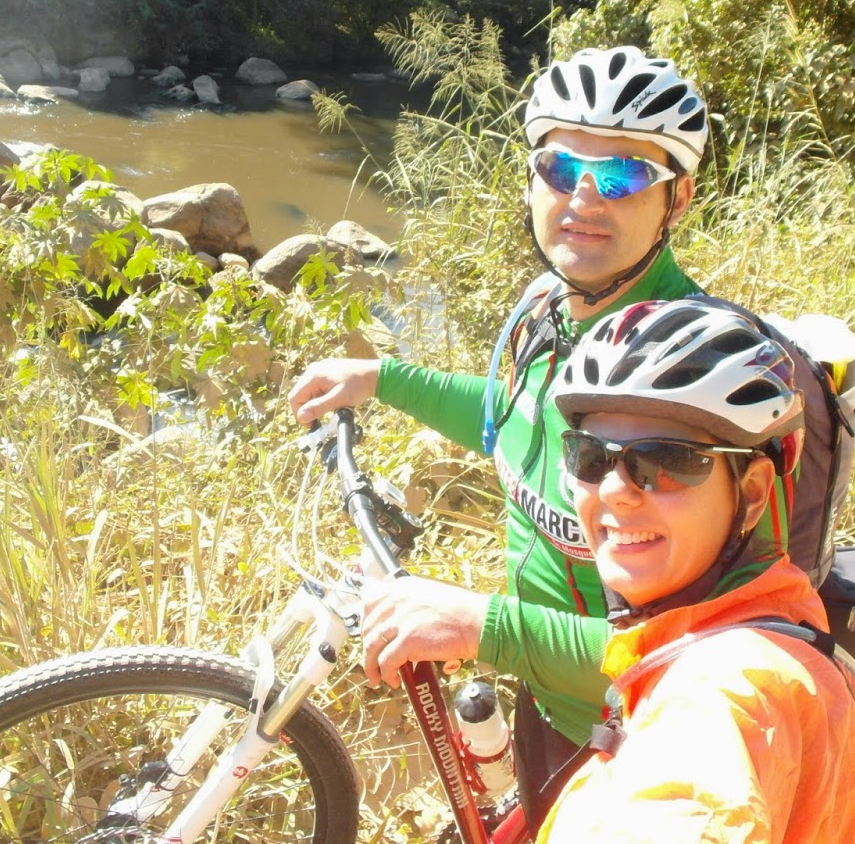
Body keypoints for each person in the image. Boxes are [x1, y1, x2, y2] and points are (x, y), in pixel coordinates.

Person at [287, 45, 712, 789]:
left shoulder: (695, 376)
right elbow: (513, 421)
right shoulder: (550, 308)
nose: (584, 198)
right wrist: (382, 378)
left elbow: (703, 651)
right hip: (545, 696)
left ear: (677, 198)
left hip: (642, 746)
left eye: (623, 173)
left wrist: (480, 625)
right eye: (560, 167)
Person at [537, 299, 855, 842]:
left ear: (754, 492)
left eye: (667, 460)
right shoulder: (787, 618)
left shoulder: (723, 694)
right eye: (590, 456)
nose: (615, 490)